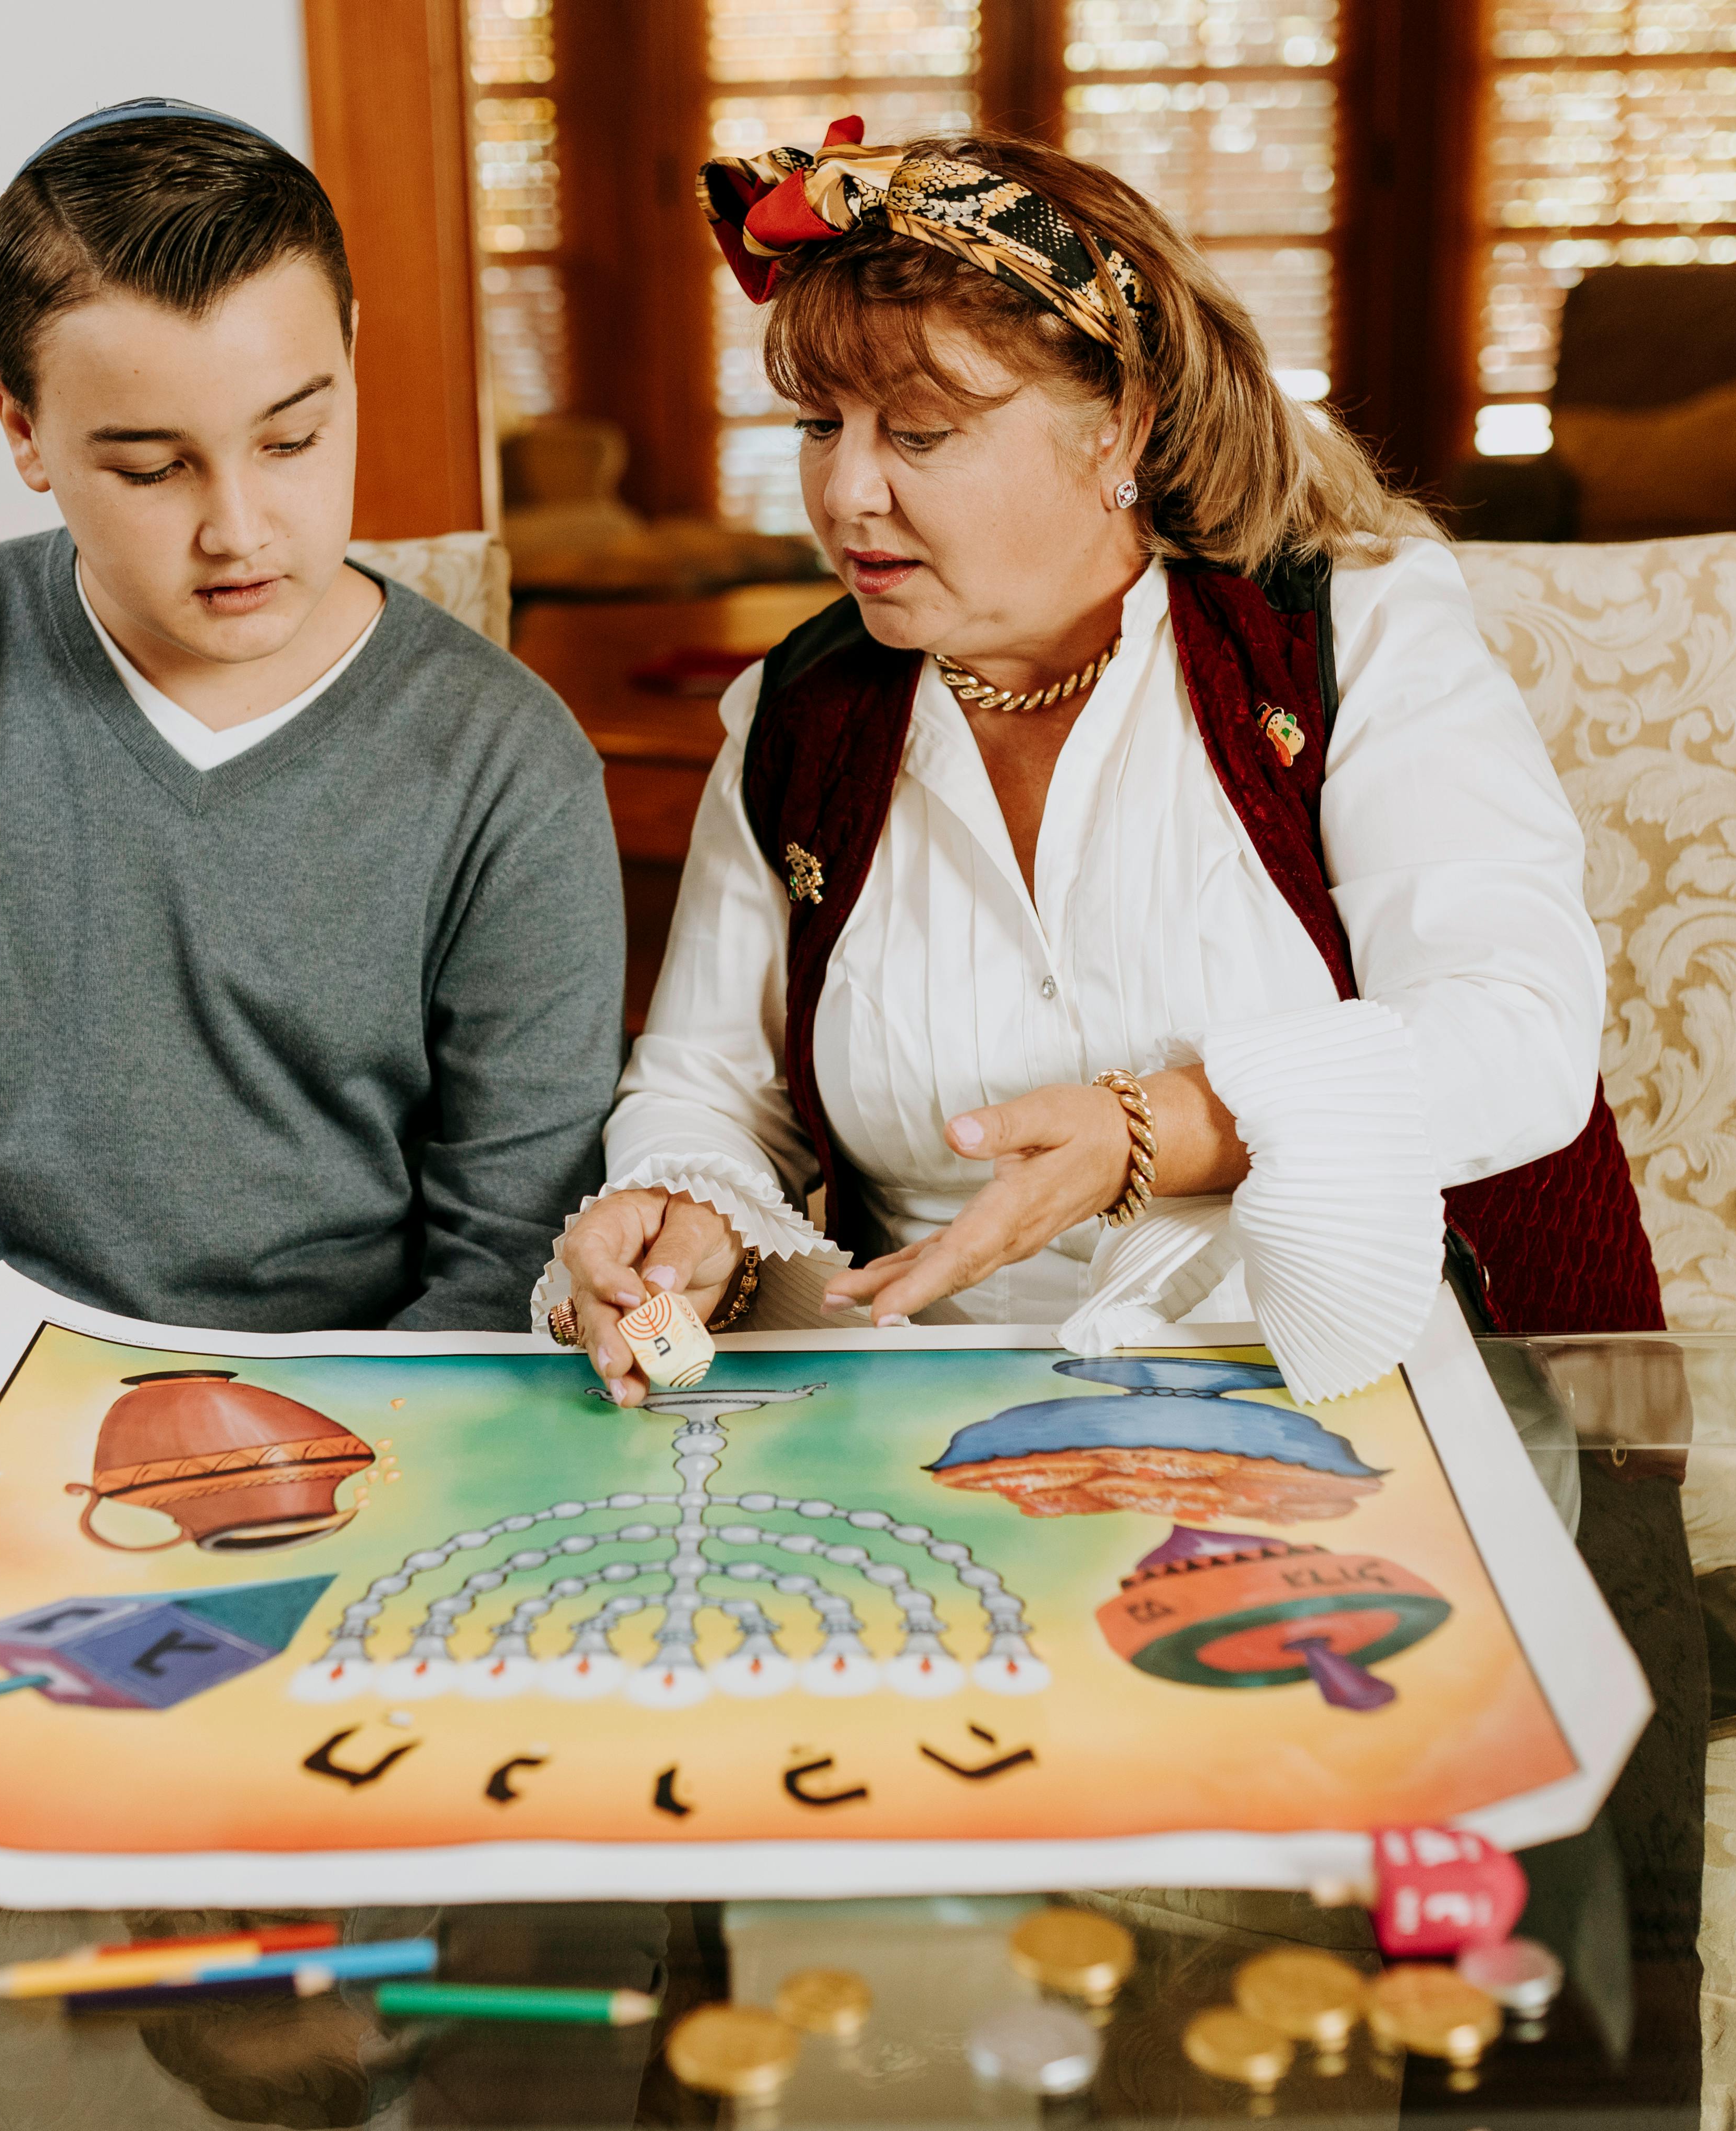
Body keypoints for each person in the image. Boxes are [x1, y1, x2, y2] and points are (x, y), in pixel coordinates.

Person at [548, 123, 1660, 1407]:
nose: (846, 492)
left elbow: (1518, 1032)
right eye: (816, 425)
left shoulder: (1346, 634)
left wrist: (1166, 1128)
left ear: (1120, 429)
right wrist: (690, 1208)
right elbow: (710, 1087)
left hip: (1361, 1392)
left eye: (919, 433)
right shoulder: (795, 715)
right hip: (929, 1421)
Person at [0, 101, 621, 1355]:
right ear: (21, 428)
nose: (240, 527)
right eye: (150, 469)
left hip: (374, 1438)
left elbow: (510, 1241)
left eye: (293, 439)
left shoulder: (508, 761)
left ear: (353, 356)